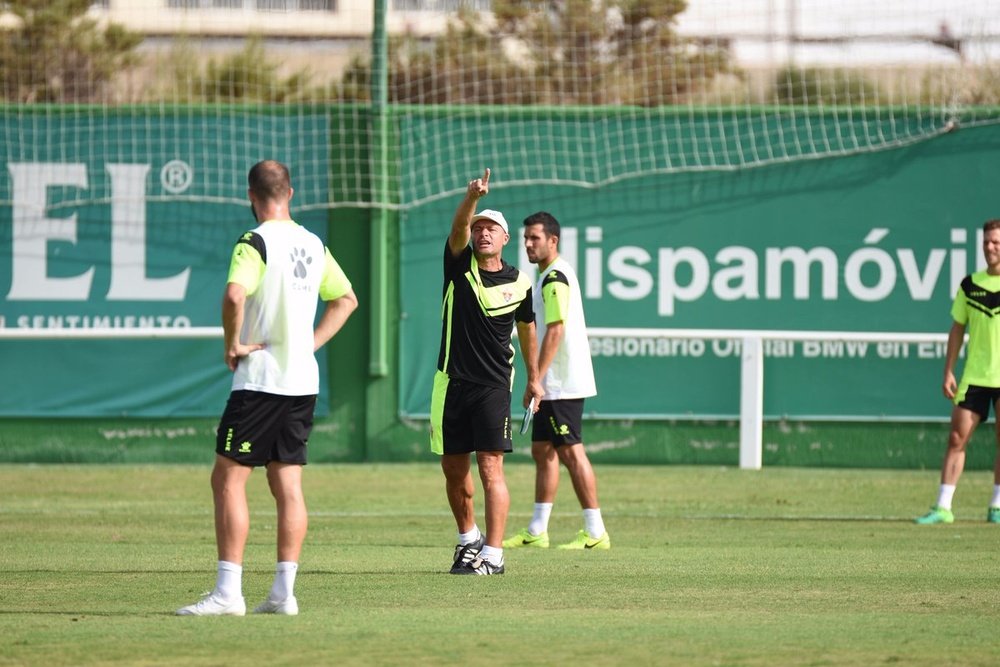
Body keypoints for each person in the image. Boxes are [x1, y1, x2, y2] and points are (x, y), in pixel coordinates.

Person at [177, 160, 358, 615]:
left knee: (227, 478)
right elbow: (347, 299)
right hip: (301, 382)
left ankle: (228, 593)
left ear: (251, 197)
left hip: (260, 381)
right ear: (291, 193)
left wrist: (232, 343)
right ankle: (283, 593)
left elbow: (235, 295)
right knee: (288, 483)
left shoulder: (253, 241)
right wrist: (308, 345)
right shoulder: (313, 243)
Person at [430, 168, 543, 575]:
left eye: (491, 228)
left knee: (491, 466)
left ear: (505, 238)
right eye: (479, 228)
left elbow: (528, 329)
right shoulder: (460, 267)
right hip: (450, 384)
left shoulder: (521, 282)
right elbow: (459, 225)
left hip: (493, 387)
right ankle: (467, 540)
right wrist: (472, 198)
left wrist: (534, 378)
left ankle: (493, 554)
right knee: (453, 469)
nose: (483, 233)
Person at [503, 212, 610, 550]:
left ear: (553, 240)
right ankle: (538, 530)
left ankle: (596, 532)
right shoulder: (548, 275)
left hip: (561, 381)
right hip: (553, 381)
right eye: (526, 238)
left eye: (535, 237)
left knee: (571, 452)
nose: (529, 244)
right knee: (542, 450)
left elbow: (556, 329)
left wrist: (536, 378)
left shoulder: (554, 278)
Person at [916, 218, 1000, 525]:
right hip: (975, 376)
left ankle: (997, 506)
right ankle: (943, 506)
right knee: (956, 438)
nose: (990, 247)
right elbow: (957, 329)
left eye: (996, 242)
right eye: (987, 241)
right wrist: (948, 370)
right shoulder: (970, 284)